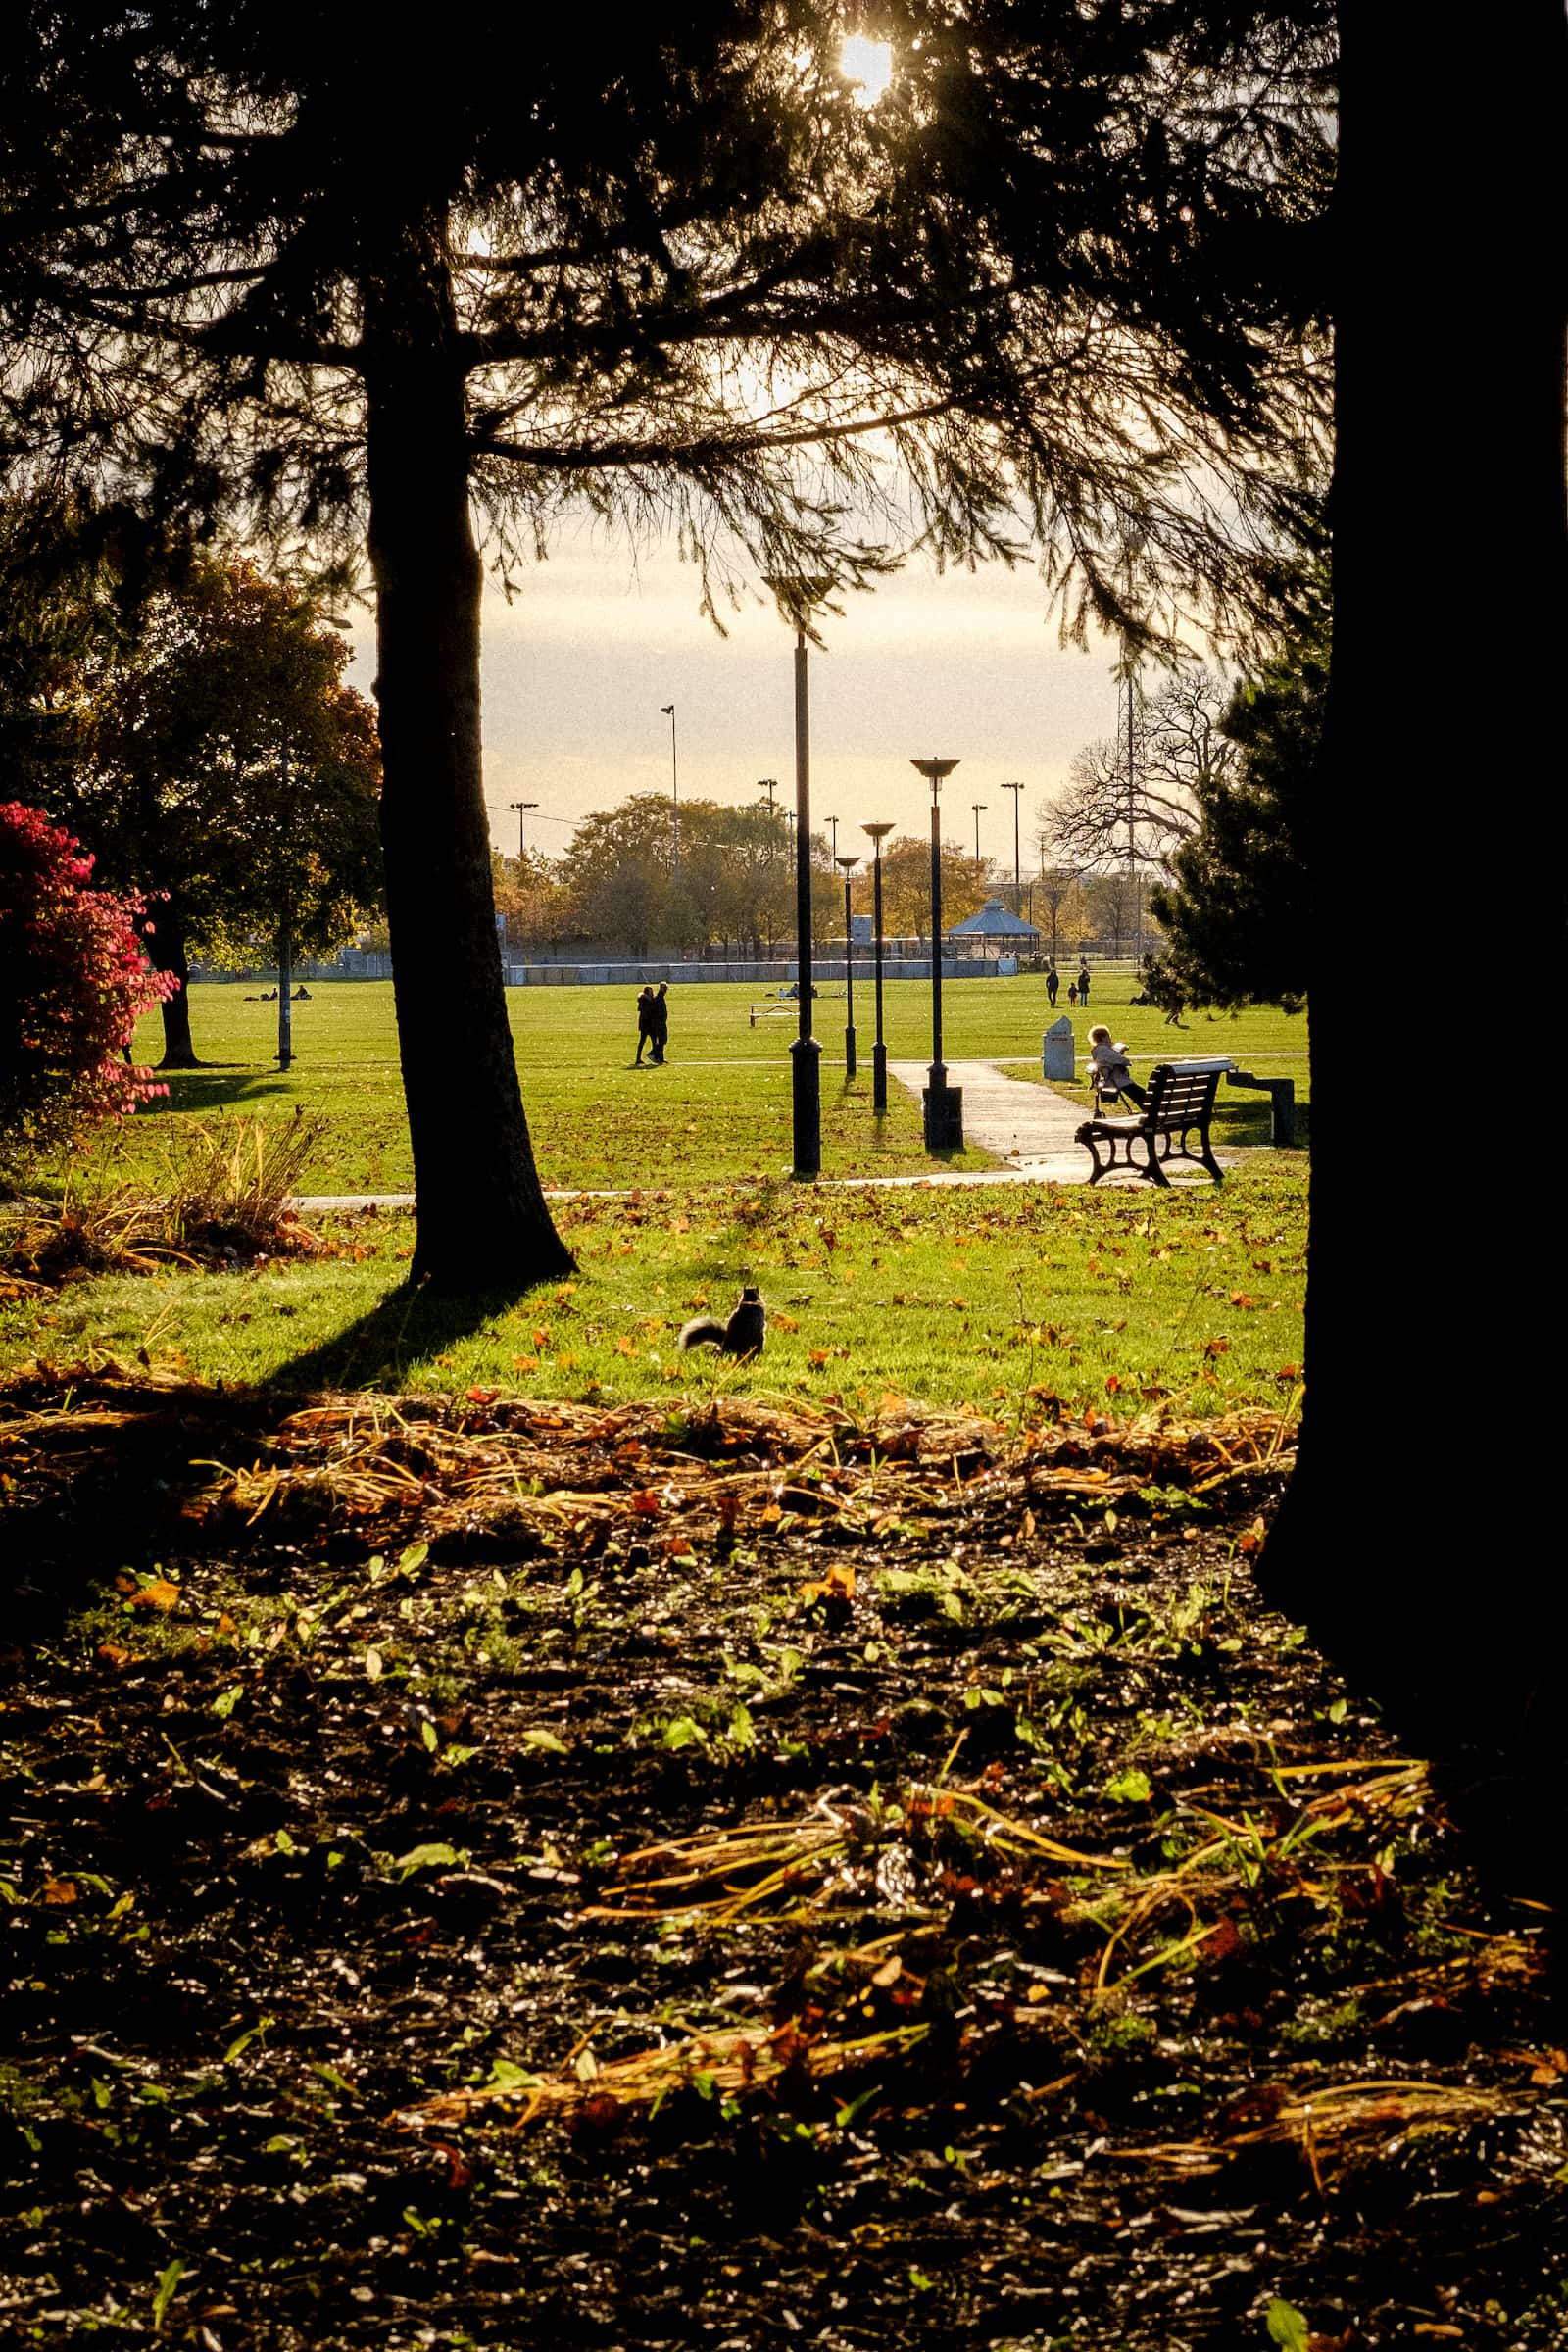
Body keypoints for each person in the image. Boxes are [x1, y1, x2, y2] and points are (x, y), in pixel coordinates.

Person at [1087, 1023, 1147, 1107]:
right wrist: (1124, 1059)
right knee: (1144, 1097)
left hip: (1117, 1079)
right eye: (1109, 1036)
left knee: (1142, 1096)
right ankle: (1150, 1112)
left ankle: (1148, 1111)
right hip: (1118, 1080)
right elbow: (1123, 1061)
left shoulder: (1099, 1049)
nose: (1110, 1039)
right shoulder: (1103, 1050)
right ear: (1103, 1037)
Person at [633, 985, 656, 1065]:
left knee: (642, 1042)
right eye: (651, 991)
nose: (652, 993)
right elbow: (649, 1012)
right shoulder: (646, 1001)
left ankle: (638, 1058)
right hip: (647, 1024)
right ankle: (654, 1057)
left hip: (643, 1024)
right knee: (653, 1041)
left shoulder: (642, 1000)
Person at [649, 981, 669, 1065]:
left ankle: (660, 1058)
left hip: (661, 1022)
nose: (666, 991)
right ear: (662, 988)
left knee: (662, 1040)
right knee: (662, 1040)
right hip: (659, 1023)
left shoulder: (659, 997)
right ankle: (652, 1053)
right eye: (666, 989)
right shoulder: (658, 998)